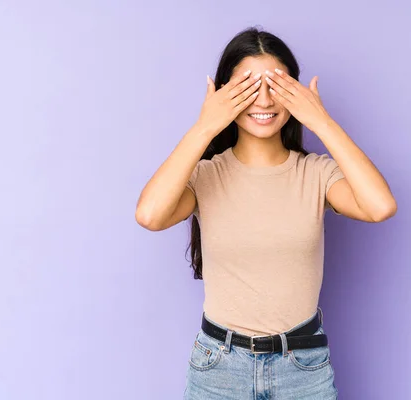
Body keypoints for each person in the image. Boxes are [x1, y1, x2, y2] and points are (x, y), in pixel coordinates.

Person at [135, 26, 397, 399]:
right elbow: (150, 215)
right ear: (225, 94)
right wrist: (206, 125)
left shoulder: (317, 173)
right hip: (219, 369)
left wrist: (321, 120)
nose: (263, 100)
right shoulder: (206, 175)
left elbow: (380, 206)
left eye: (276, 86)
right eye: (247, 87)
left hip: (302, 367)